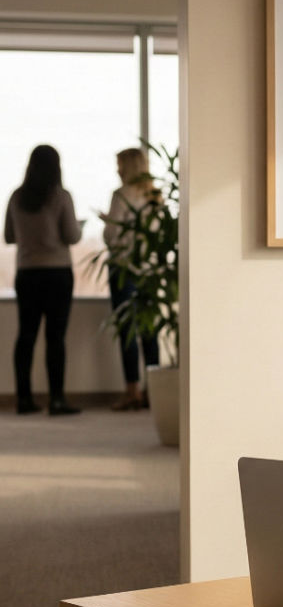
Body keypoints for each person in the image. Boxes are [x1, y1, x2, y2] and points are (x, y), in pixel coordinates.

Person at [4, 145, 83, 415]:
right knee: (55, 337)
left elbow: (9, 236)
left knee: (26, 336)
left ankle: (23, 399)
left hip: (27, 273)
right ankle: (57, 399)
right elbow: (72, 236)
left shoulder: (16, 197)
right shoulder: (61, 197)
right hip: (57, 273)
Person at [101, 147, 160, 411]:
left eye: (119, 164)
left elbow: (113, 237)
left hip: (124, 270)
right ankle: (154, 391)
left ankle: (132, 391)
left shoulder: (121, 195)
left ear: (128, 166)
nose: (117, 170)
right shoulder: (155, 196)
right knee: (150, 331)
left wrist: (106, 223)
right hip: (150, 271)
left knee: (128, 330)